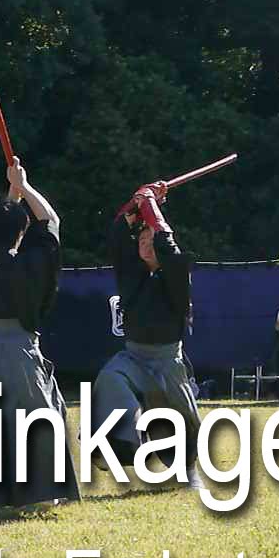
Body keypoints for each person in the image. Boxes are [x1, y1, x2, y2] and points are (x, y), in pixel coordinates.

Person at [0, 158, 79, 523]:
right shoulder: (32, 264)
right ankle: (43, 493)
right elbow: (51, 221)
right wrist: (24, 187)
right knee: (40, 418)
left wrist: (10, 195)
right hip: (23, 350)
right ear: (21, 233)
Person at [93, 179, 203, 488]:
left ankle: (187, 471)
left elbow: (167, 240)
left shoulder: (177, 274)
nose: (144, 243)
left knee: (185, 419)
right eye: (141, 237)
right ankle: (108, 448)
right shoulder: (132, 273)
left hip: (167, 358)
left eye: (149, 237)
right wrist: (138, 200)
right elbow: (117, 232)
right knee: (109, 380)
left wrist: (151, 205)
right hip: (132, 355)